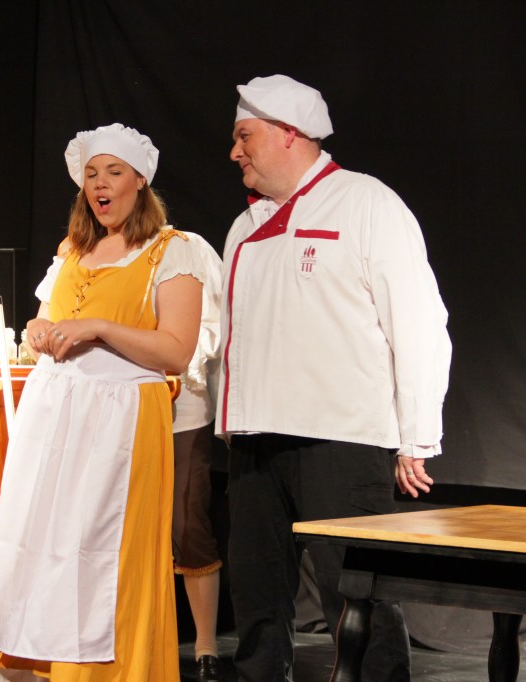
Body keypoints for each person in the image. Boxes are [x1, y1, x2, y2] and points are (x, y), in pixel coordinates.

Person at [217, 75, 451, 681]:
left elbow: (419, 322)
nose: (235, 152)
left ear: (288, 134)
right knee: (257, 601)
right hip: (255, 440)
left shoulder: (366, 203)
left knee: (356, 598)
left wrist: (417, 435)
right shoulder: (244, 227)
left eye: (244, 136)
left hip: (341, 439)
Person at [0, 123, 207, 680]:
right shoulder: (72, 250)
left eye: (114, 172)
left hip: (122, 420)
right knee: (42, 542)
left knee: (106, 554)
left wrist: (99, 327)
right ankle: (42, 664)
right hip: (56, 416)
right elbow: (47, 321)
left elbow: (176, 351)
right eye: (92, 174)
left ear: (140, 181)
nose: (100, 184)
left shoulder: (173, 251)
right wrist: (38, 330)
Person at [170, 234, 224, 682]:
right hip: (120, 412)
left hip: (182, 409)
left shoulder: (188, 248)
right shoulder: (93, 252)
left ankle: (205, 645)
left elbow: (217, 323)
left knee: (188, 522)